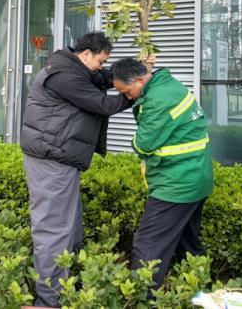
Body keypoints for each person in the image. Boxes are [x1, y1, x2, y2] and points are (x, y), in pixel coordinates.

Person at [20, 32, 154, 307]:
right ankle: (48, 301)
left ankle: (65, 290)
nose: (101, 68)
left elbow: (105, 79)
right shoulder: (64, 77)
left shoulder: (75, 69)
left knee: (69, 229)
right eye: (100, 61)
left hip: (60, 160)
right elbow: (103, 104)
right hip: (51, 161)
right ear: (85, 54)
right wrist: (133, 91)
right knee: (54, 230)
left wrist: (138, 70)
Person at [110, 57, 214, 291]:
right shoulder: (167, 85)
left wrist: (135, 142)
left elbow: (143, 144)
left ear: (139, 80)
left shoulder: (158, 99)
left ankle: (141, 296)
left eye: (126, 92)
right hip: (194, 177)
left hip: (176, 184)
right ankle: (200, 291)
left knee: (148, 245)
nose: (127, 98)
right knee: (188, 243)